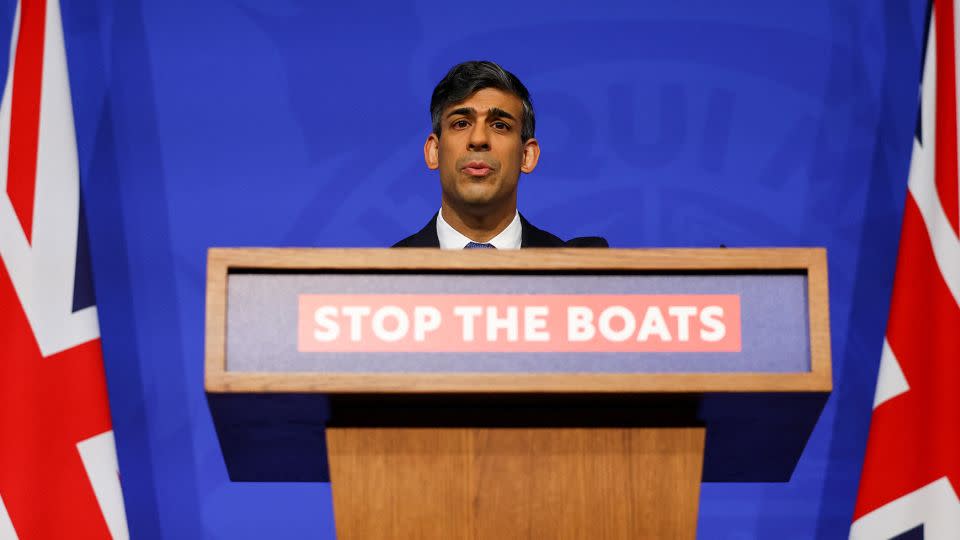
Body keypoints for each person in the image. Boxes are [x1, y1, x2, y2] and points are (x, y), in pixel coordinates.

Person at [393, 60, 608, 249]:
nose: (478, 139)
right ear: (434, 152)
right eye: (461, 123)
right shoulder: (382, 278)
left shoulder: (577, 276)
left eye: (499, 125)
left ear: (527, 156)